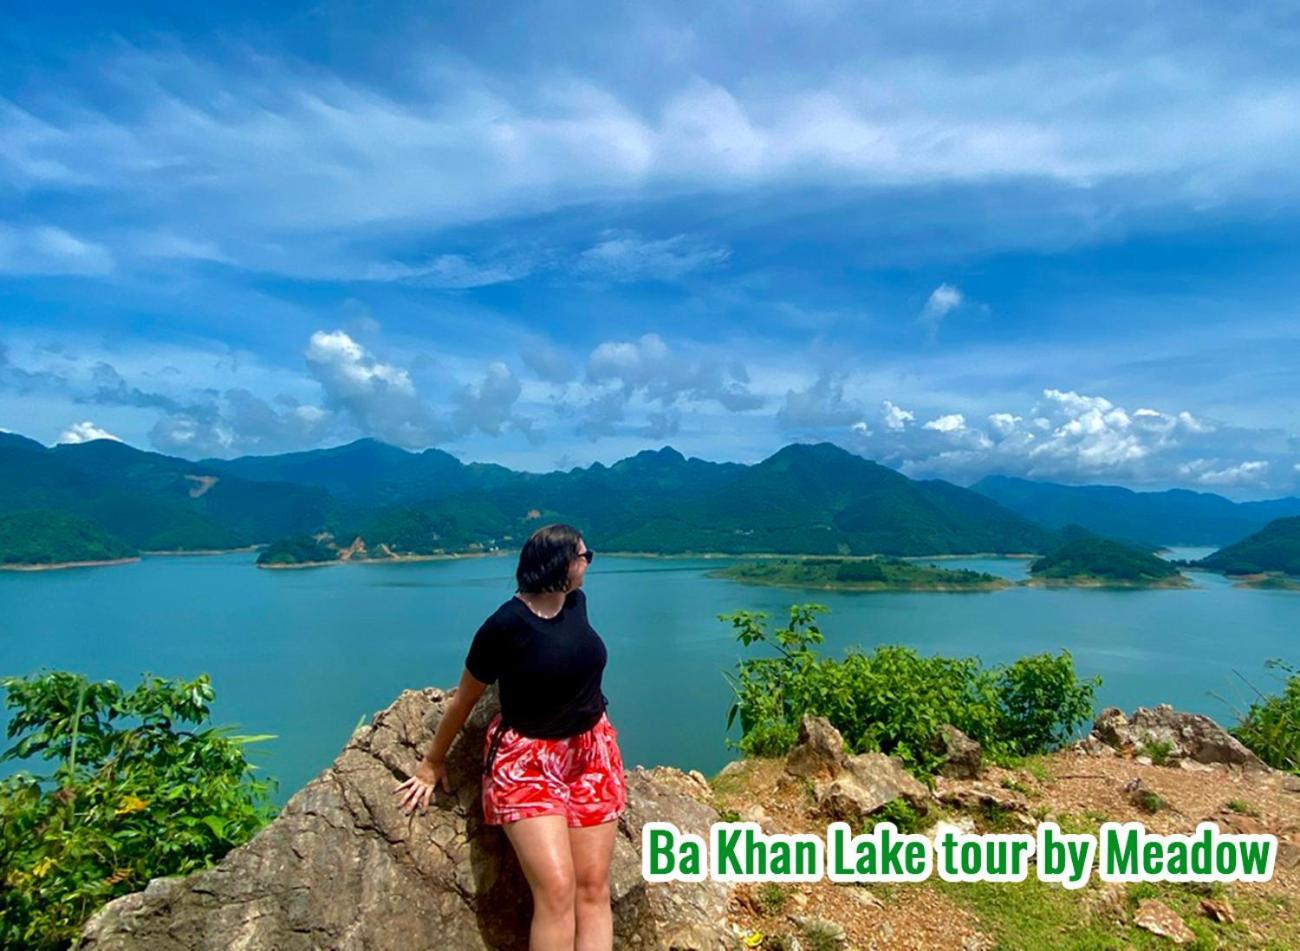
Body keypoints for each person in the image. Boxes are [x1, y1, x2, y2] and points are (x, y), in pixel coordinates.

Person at [394, 523, 627, 951]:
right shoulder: (504, 626)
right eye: (584, 555)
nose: (589, 562)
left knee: (593, 888)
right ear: (562, 563)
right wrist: (432, 762)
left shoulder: (576, 604)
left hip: (591, 755)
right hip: (528, 762)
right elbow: (464, 701)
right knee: (556, 890)